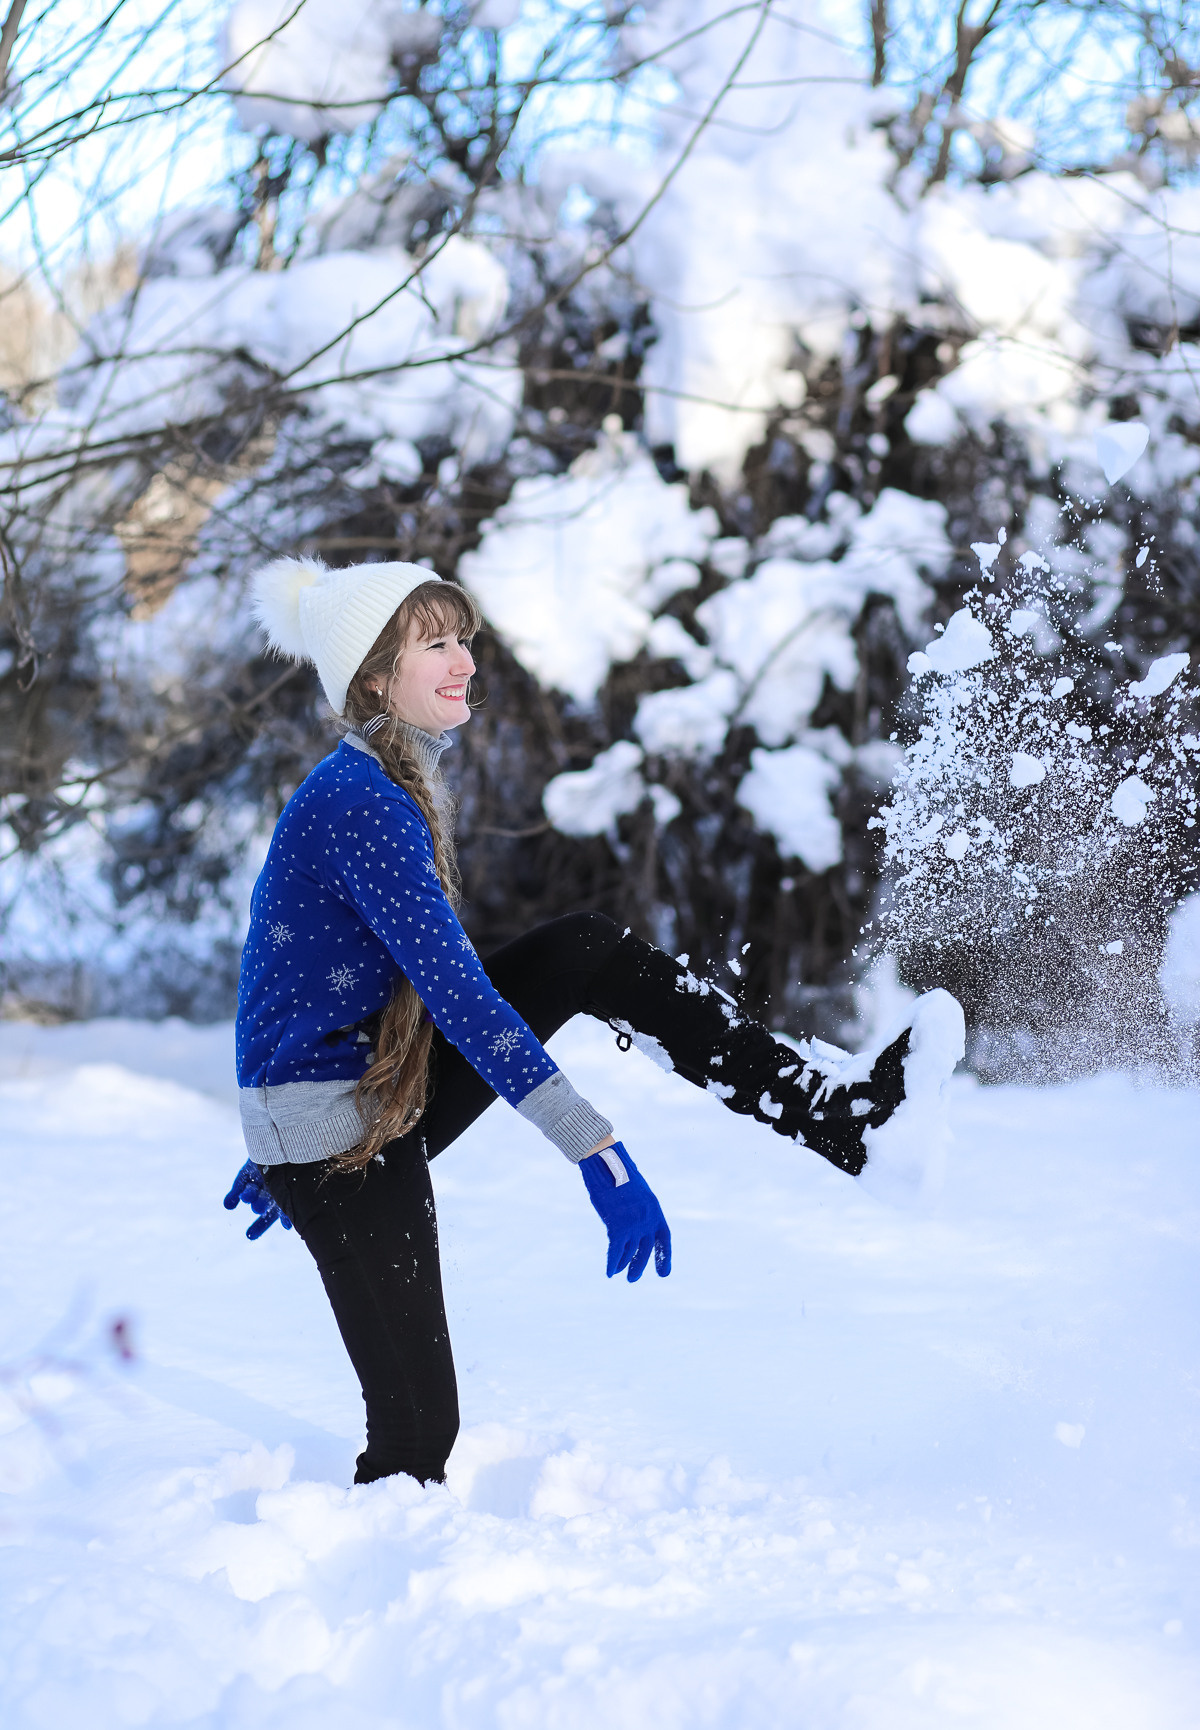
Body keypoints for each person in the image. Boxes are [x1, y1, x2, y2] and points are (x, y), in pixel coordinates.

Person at [226, 556, 962, 1489]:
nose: (464, 663)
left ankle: (844, 1120)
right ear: (375, 677)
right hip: (339, 1130)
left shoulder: (385, 781)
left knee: (582, 949)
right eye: (435, 644)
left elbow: (308, 972)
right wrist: (595, 1148)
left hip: (350, 1095)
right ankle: (368, 1596)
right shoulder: (362, 802)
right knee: (418, 1435)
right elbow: (455, 997)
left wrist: (276, 1122)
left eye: (464, 639)